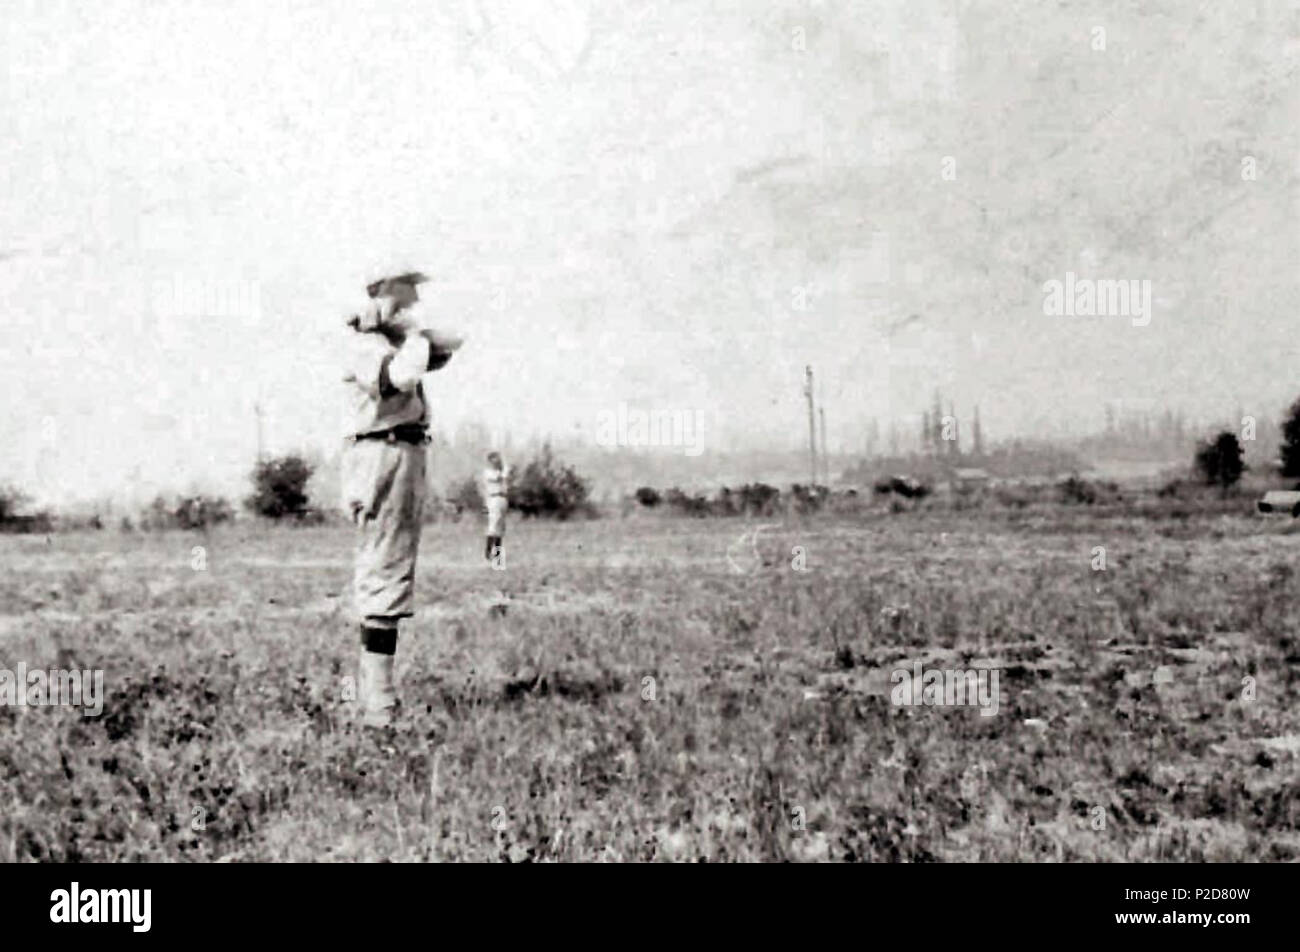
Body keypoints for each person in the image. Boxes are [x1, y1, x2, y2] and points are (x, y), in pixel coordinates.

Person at [341, 271, 463, 729]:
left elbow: (454, 340)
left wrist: (404, 327)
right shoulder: (365, 347)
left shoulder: (388, 338)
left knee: (390, 569)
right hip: (381, 452)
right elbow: (403, 378)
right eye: (404, 292)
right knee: (383, 571)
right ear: (379, 291)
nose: (414, 299)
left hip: (401, 450)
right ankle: (379, 706)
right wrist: (401, 332)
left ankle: (376, 699)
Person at [482, 451, 509, 563]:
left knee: (500, 529)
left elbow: (505, 478)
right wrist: (503, 471)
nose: (497, 461)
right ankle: (488, 553)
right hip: (493, 498)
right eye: (494, 459)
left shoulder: (501, 471)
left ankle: (497, 558)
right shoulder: (488, 472)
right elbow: (498, 478)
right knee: (493, 527)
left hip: (502, 498)